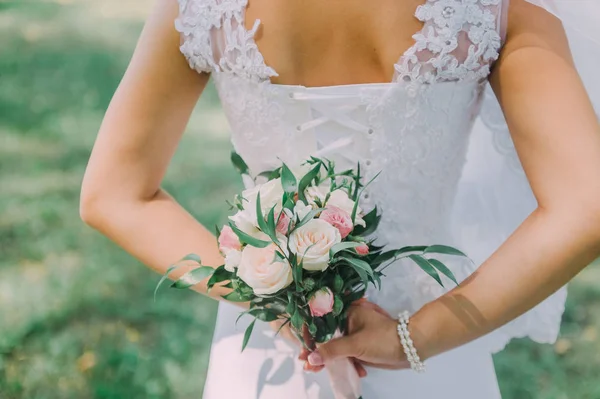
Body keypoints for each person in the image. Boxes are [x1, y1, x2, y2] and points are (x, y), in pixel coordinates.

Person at [80, 0, 600, 397]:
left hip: (272, 351)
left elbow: (115, 194)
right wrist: (411, 338)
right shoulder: (494, 8)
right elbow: (587, 206)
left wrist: (277, 298)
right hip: (435, 347)